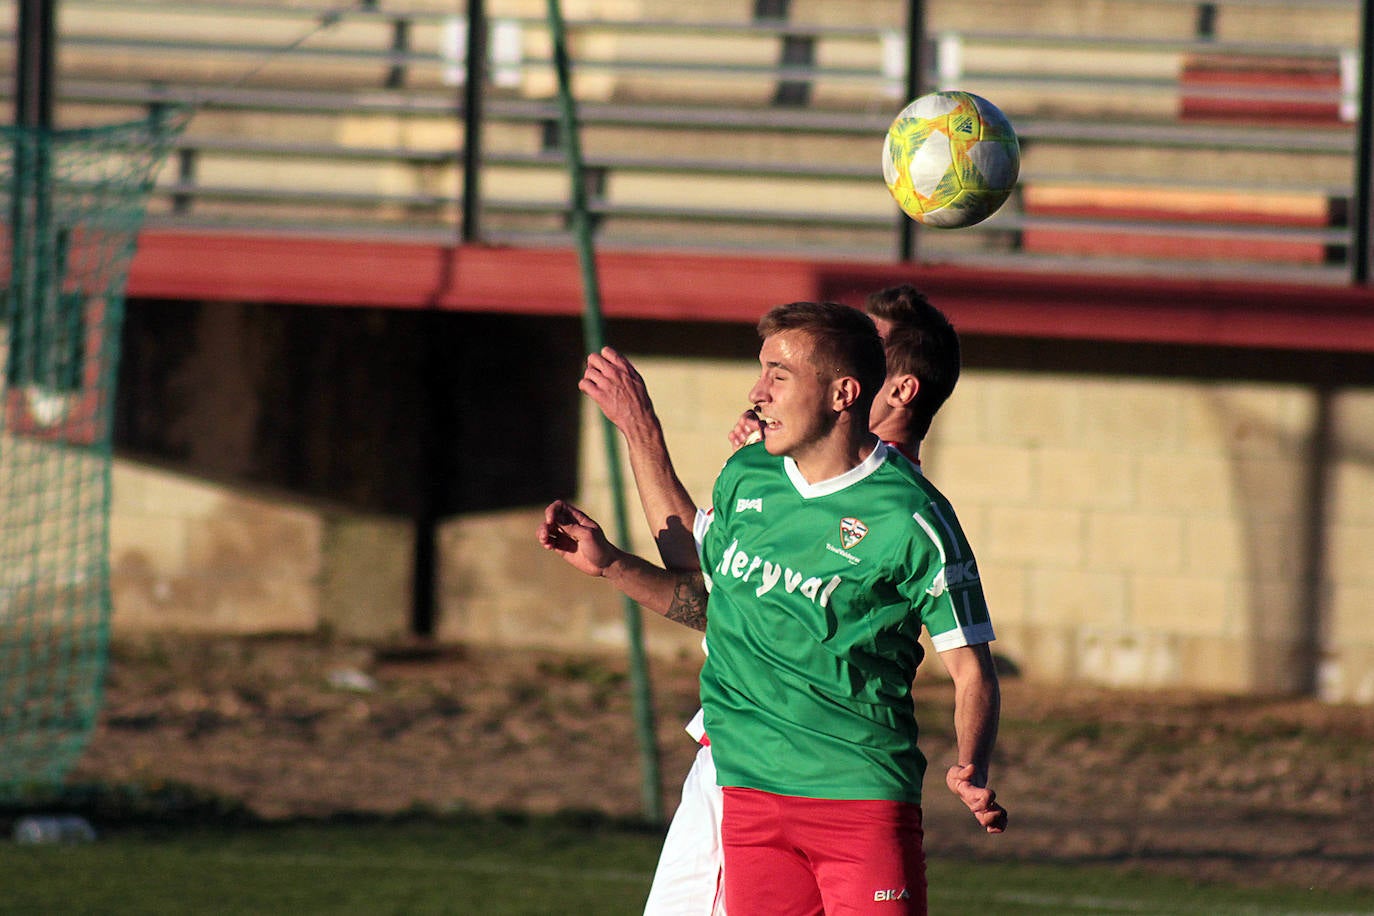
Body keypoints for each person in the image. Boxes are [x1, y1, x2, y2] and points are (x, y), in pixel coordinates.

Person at [540, 301, 1005, 914]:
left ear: (856, 389)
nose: (757, 393)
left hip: (854, 793)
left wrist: (970, 762)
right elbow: (711, 591)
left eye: (778, 374)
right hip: (744, 780)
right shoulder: (751, 473)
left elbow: (973, 668)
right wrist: (611, 563)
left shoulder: (908, 514)